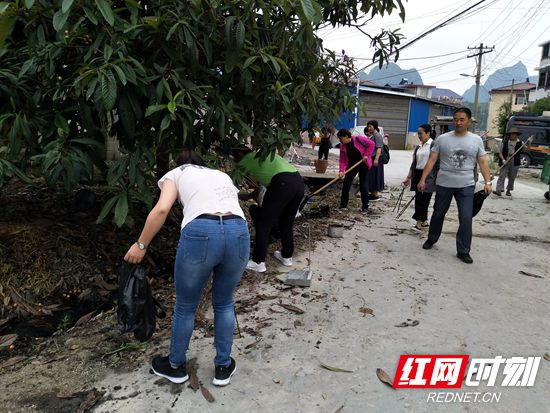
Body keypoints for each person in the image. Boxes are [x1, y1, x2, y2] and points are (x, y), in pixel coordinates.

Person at [123, 149, 249, 386]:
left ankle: (175, 366)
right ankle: (223, 367)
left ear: (181, 164)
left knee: (185, 306)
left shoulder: (177, 172)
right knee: (224, 302)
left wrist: (141, 245)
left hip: (201, 233)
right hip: (238, 232)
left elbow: (162, 209)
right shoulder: (221, 175)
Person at [418, 107, 492, 264]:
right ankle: (432, 239)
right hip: (444, 183)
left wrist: (488, 182)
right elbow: (431, 160)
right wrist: (422, 179)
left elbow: (483, 161)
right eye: (456, 119)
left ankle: (463, 250)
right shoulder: (442, 139)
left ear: (469, 121)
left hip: (466, 185)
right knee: (438, 213)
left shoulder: (476, 140)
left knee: (466, 217)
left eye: (462, 119)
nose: (458, 122)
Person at [232, 147, 305, 273]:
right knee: (286, 222)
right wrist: (250, 195)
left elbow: (236, 182)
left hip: (281, 183)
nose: (235, 160)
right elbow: (260, 182)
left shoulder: (245, 161)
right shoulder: (262, 153)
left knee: (263, 222)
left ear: (239, 153)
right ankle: (286, 256)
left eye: (235, 157)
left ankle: (258, 261)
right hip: (298, 182)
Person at [401, 124, 437, 231]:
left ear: (428, 133)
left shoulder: (433, 145)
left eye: (421, 133)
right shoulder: (418, 147)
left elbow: (437, 162)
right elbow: (414, 163)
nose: (419, 135)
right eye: (418, 133)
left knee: (423, 199)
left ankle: (418, 223)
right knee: (418, 198)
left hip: (429, 176)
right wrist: (408, 177)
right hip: (417, 174)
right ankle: (424, 221)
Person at [337, 128, 375, 213]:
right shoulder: (342, 145)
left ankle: (365, 207)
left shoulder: (358, 139)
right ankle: (343, 205)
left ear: (346, 136)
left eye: (341, 138)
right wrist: (341, 171)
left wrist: (366, 155)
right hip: (352, 165)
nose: (340, 140)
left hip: (363, 163)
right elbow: (342, 159)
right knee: (346, 184)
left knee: (363, 185)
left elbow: (372, 144)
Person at [494, 127, 524, 196]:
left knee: (512, 176)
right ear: (509, 135)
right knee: (502, 175)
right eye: (512, 134)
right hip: (506, 159)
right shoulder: (505, 142)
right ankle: (499, 190)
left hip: (514, 160)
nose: (513, 136)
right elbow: (500, 152)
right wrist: (503, 160)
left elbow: (525, 150)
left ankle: (508, 190)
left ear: (517, 135)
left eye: (515, 134)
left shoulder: (520, 143)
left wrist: (528, 144)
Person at [365, 120, 384, 200]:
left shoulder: (377, 135)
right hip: (372, 158)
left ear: (375, 126)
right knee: (372, 176)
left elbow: (379, 148)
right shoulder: (373, 135)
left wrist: (376, 159)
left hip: (376, 158)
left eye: (370, 126)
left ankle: (375, 194)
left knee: (375, 176)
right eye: (368, 126)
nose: (369, 128)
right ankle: (373, 193)